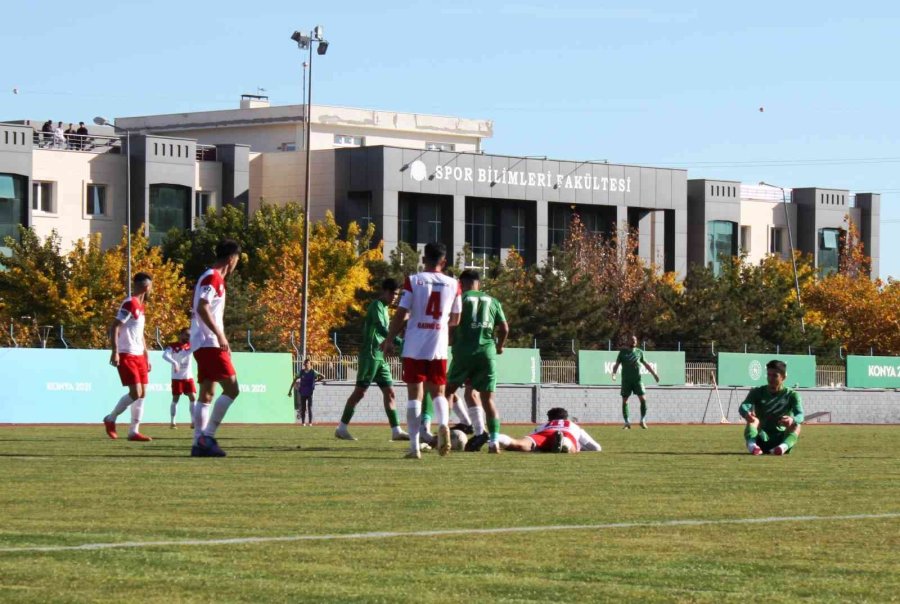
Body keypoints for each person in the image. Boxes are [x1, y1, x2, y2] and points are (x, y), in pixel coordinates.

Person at [382, 242, 461, 459]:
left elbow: (401, 313)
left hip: (414, 344)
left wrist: (390, 339)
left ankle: (414, 447)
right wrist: (440, 325)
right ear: (443, 262)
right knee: (439, 393)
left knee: (414, 396)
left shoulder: (414, 281)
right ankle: (443, 423)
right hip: (438, 345)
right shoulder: (454, 284)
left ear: (423, 259)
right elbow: (456, 319)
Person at [335, 278, 409, 441]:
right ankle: (341, 428)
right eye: (393, 294)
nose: (395, 297)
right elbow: (382, 330)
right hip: (370, 355)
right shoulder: (376, 306)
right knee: (360, 392)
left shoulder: (384, 308)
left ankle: (396, 431)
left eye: (397, 294)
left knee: (390, 392)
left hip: (380, 356)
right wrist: (399, 341)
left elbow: (384, 332)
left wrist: (391, 343)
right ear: (385, 291)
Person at [445, 270, 509, 454]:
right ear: (478, 283)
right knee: (483, 398)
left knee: (448, 391)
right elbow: (504, 328)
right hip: (486, 353)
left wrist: (449, 339)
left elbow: (452, 323)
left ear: (461, 283)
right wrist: (500, 346)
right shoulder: (493, 301)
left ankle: (444, 433)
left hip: (464, 352)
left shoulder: (460, 299)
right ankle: (491, 440)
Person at [189, 239, 242, 457]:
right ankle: (206, 436)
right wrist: (220, 335)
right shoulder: (213, 277)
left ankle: (198, 444)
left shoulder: (211, 277)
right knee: (232, 388)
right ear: (231, 259)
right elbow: (202, 305)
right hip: (209, 342)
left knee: (207, 392)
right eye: (237, 259)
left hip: (202, 341)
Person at [102, 272, 153, 442]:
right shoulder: (130, 303)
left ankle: (133, 431)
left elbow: (139, 333)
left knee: (142, 393)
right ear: (146, 286)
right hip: (127, 353)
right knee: (135, 392)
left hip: (139, 355)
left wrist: (146, 355)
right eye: (150, 286)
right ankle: (111, 418)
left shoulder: (141, 305)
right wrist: (115, 351)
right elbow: (115, 326)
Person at [739, 359, 804, 455]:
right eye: (769, 375)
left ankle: (782, 447)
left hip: (781, 439)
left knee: (796, 425)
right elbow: (743, 406)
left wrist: (792, 419)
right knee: (753, 420)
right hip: (760, 438)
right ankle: (753, 446)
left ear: (784, 377)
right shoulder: (757, 392)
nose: (770, 378)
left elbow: (800, 415)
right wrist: (746, 413)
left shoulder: (792, 395)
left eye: (775, 376)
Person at [497, 407, 601, 453]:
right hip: (566, 434)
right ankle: (565, 444)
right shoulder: (573, 425)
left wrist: (535, 447)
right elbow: (596, 448)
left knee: (519, 444)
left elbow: (532, 436)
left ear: (550, 419)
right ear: (566, 418)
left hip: (544, 433)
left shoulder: (545, 424)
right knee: (571, 445)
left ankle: (495, 438)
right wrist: (579, 447)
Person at [610, 335, 659, 429]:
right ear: (628, 341)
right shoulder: (622, 352)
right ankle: (627, 422)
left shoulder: (639, 352)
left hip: (638, 380)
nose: (634, 341)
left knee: (643, 399)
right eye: (632, 340)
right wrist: (614, 373)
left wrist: (654, 374)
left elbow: (646, 365)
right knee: (625, 400)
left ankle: (642, 420)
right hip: (626, 381)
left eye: (635, 340)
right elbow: (616, 364)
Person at [162, 327, 196, 430]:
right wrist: (174, 362)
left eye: (190, 335)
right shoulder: (173, 346)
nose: (188, 337)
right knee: (176, 399)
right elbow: (164, 355)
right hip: (177, 378)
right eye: (186, 334)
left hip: (188, 377)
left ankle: (193, 422)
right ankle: (173, 422)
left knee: (193, 397)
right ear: (181, 335)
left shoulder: (191, 346)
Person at [288, 359, 325, 426]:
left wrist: (316, 381)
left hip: (310, 392)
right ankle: (303, 422)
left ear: (310, 364)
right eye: (305, 363)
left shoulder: (313, 372)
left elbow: (323, 376)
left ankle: (310, 423)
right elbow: (294, 380)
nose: (306, 365)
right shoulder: (301, 372)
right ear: (304, 364)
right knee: (303, 407)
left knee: (310, 407)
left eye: (308, 363)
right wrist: (290, 390)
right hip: (302, 392)